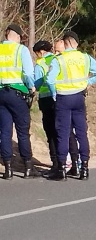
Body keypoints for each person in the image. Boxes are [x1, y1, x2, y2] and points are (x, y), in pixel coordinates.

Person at [46, 30, 96, 180]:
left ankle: (61, 170)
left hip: (63, 99)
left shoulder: (59, 59)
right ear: (76, 43)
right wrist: (86, 83)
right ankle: (84, 167)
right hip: (79, 98)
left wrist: (54, 93)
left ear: (65, 43)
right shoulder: (85, 57)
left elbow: (49, 80)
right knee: (81, 133)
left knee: (63, 133)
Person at [33, 40, 80, 177]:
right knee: (66, 131)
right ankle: (75, 164)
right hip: (62, 97)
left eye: (37, 53)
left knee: (51, 133)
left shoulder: (40, 64)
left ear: (41, 52)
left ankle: (57, 165)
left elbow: (37, 82)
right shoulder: (58, 59)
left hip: (47, 100)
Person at [0, 24, 37, 179]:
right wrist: (32, 88)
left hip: (1, 93)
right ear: (16, 36)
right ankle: (28, 166)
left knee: (5, 132)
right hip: (17, 93)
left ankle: (8, 169)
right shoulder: (20, 50)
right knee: (22, 131)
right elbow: (28, 73)